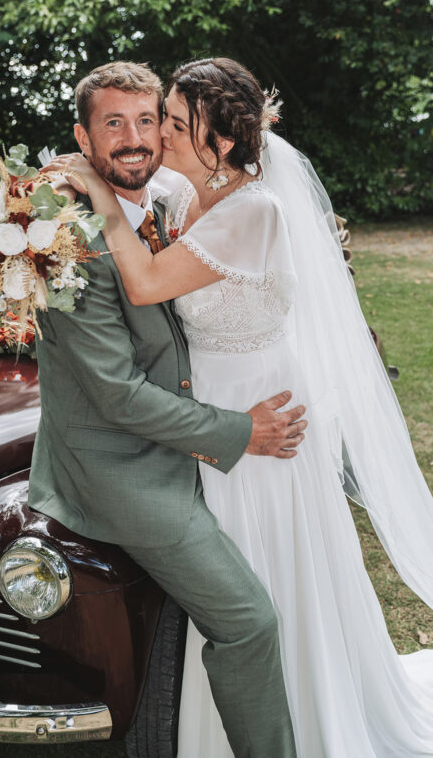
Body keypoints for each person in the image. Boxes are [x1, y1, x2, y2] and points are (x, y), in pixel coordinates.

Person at [54, 57, 433, 758]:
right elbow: (126, 163)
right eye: (158, 119)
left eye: (171, 122)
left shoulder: (254, 210)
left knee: (269, 569)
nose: (158, 136)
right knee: (236, 566)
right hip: (218, 404)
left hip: (261, 407)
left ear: (219, 142)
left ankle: (309, 718)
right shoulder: (185, 189)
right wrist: (70, 177)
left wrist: (102, 205)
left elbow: (144, 285)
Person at [28, 61, 302, 757]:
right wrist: (240, 431)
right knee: (249, 621)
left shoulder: (164, 200)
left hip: (180, 436)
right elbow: (116, 394)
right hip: (127, 467)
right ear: (81, 139)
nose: (134, 139)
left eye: (149, 120)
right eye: (112, 124)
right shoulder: (68, 238)